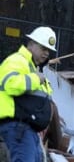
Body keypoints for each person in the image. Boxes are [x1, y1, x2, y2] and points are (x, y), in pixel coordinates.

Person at [0, 27, 56, 162]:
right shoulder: (17, 61)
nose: (46, 53)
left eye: (48, 50)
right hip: (18, 127)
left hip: (27, 130)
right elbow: (11, 84)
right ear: (31, 44)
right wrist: (36, 79)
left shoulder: (31, 67)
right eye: (43, 48)